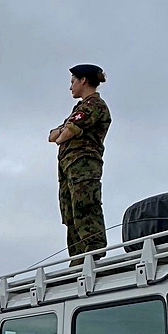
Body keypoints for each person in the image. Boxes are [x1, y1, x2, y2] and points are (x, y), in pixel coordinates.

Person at [49, 64, 111, 262]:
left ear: (83, 80)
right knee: (70, 213)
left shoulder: (94, 106)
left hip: (83, 164)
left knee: (85, 206)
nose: (71, 87)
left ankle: (92, 255)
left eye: (73, 82)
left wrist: (64, 134)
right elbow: (52, 135)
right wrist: (63, 133)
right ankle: (78, 259)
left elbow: (64, 134)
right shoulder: (79, 109)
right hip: (69, 167)